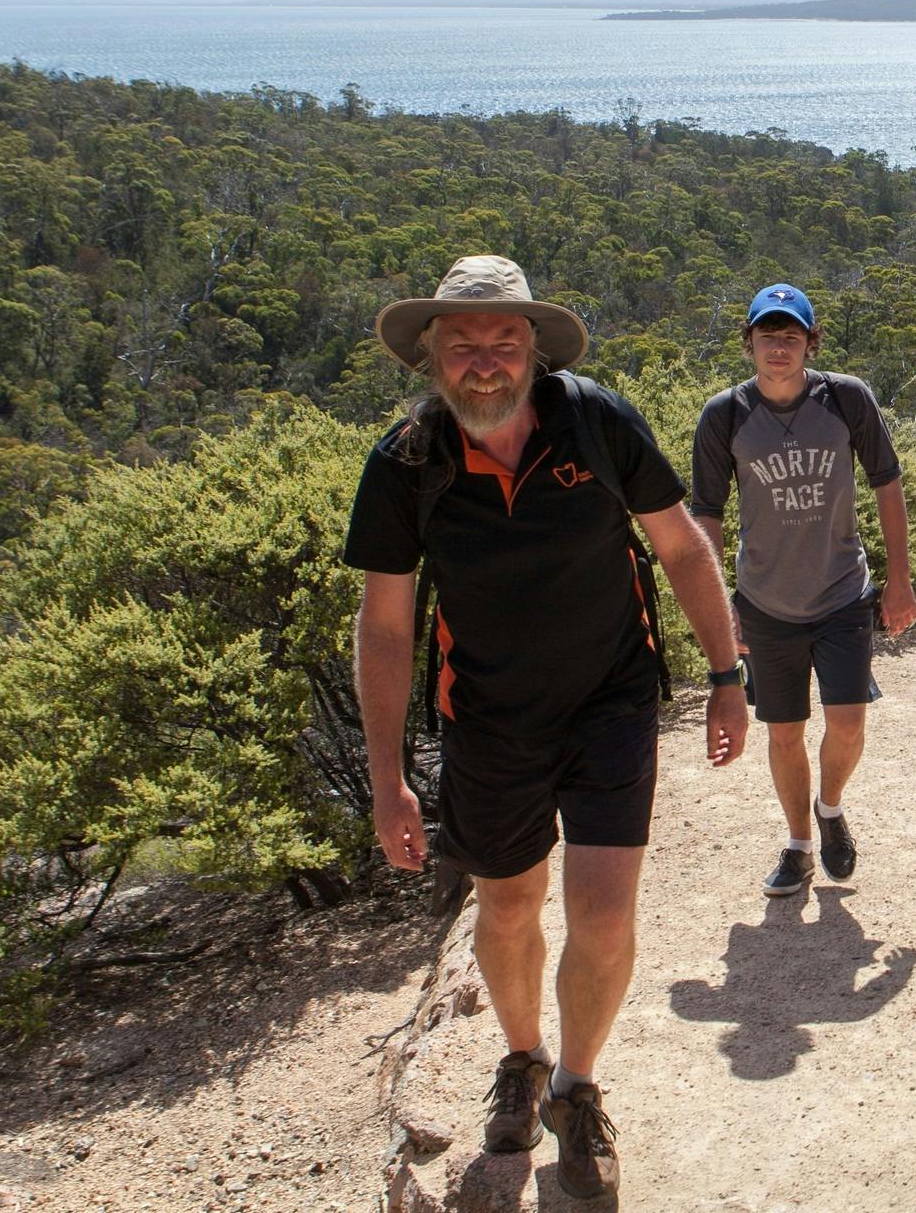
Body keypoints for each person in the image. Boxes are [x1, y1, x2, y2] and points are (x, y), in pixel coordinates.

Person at [344, 256, 746, 1203]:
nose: (484, 362)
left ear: (533, 347)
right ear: (431, 358)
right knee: (510, 907)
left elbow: (682, 545)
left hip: (609, 700)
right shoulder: (407, 462)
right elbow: (387, 622)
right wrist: (385, 774)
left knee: (603, 911)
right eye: (462, 344)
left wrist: (729, 675)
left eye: (503, 341)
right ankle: (519, 1058)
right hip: (485, 716)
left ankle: (575, 1084)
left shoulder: (596, 421)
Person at [692, 284, 916, 898]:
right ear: (749, 343)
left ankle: (830, 805)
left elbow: (888, 483)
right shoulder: (725, 416)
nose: (779, 347)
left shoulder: (845, 399)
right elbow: (706, 516)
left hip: (843, 591)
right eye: (768, 335)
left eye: (791, 335)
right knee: (784, 730)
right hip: (765, 602)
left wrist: (899, 579)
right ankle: (798, 845)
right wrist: (720, 608)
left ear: (810, 342)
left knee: (847, 723)